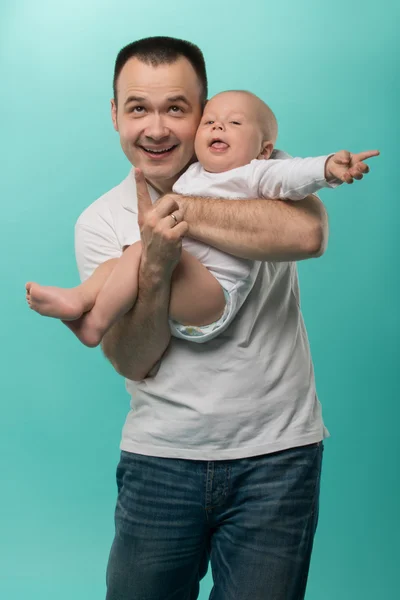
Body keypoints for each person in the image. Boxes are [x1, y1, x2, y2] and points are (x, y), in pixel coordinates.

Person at [59, 36, 368, 600]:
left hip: (278, 456)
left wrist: (179, 210)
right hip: (161, 459)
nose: (156, 129)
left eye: (176, 108)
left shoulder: (250, 163)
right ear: (115, 114)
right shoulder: (98, 222)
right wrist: (153, 265)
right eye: (138, 109)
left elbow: (309, 233)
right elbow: (131, 357)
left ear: (203, 112)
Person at [25, 90, 378, 348]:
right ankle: (82, 300)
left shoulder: (257, 174)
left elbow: (294, 176)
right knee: (128, 256)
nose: (218, 127)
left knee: (137, 253)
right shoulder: (191, 173)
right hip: (178, 302)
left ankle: (95, 322)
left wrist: (329, 167)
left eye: (234, 123)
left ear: (264, 149)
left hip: (216, 296)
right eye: (210, 122)